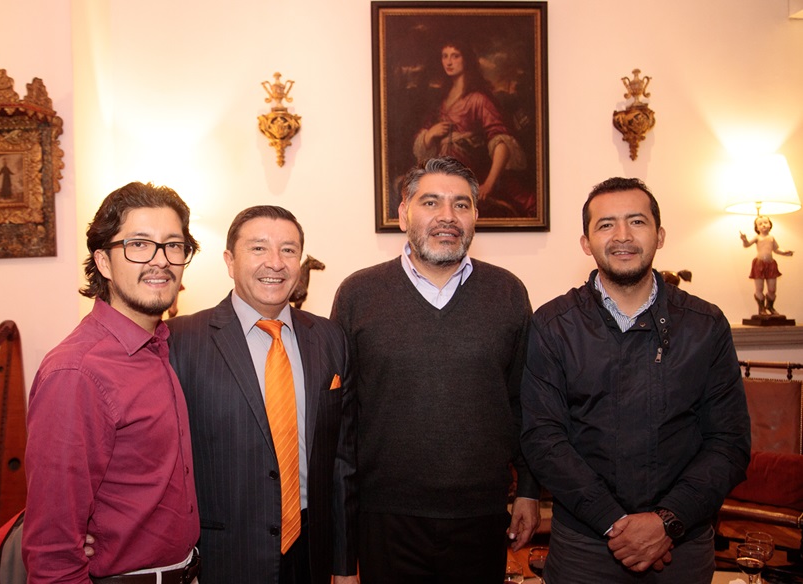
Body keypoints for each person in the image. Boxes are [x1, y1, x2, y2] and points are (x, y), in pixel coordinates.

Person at [520, 177, 751, 583]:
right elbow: (543, 438)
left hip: (681, 543)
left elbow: (728, 442)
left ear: (659, 235)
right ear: (586, 242)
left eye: (637, 222)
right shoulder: (553, 325)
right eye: (606, 224)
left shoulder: (706, 324)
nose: (622, 236)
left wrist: (667, 521)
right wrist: (613, 522)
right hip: (585, 548)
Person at [331, 156, 540, 583]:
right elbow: (341, 419)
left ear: (476, 216)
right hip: (385, 518)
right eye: (431, 202)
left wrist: (529, 489)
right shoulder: (357, 294)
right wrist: (343, 534)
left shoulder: (508, 292)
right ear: (403, 213)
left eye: (461, 204)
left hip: (481, 516)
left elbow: (526, 401)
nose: (448, 216)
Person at [167, 205, 357, 584]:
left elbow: (342, 462)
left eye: (288, 250)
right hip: (223, 556)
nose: (276, 262)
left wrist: (344, 565)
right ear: (229, 261)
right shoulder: (181, 340)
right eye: (258, 248)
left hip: (311, 553)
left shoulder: (330, 338)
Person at [22, 182, 201, 582]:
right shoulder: (77, 372)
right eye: (139, 244)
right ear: (103, 262)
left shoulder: (160, 346)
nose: (161, 261)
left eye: (174, 246)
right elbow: (51, 551)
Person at [413, 40, 529, 217]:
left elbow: (502, 142)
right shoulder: (441, 101)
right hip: (442, 179)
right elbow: (422, 144)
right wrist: (430, 135)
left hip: (472, 175)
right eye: (445, 56)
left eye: (455, 56)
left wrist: (488, 184)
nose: (449, 62)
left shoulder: (478, 100)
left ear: (466, 58)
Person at [739, 215, 794, 316]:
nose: (763, 225)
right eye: (760, 224)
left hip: (771, 265)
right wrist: (744, 240)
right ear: (757, 227)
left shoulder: (771, 238)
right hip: (759, 265)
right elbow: (747, 245)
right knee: (759, 288)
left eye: (765, 222)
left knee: (772, 289)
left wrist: (785, 252)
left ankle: (770, 306)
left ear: (770, 224)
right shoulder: (757, 238)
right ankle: (761, 308)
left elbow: (776, 249)